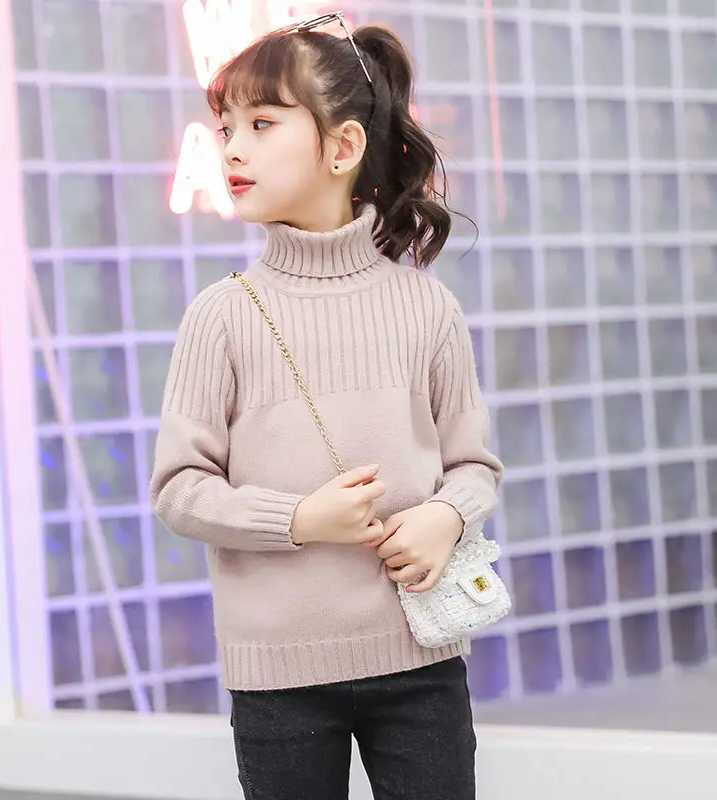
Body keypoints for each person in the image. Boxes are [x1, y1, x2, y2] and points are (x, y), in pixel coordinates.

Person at [150, 13, 503, 800]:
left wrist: (445, 518)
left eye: (262, 123)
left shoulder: (426, 307)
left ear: (342, 148)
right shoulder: (222, 316)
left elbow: (473, 466)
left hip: (420, 658)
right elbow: (178, 489)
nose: (230, 148)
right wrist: (300, 520)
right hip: (279, 677)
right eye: (226, 127)